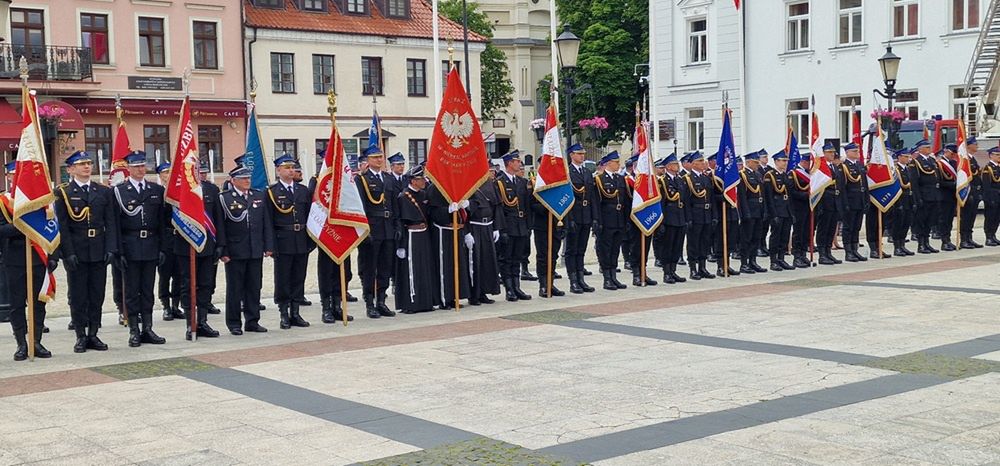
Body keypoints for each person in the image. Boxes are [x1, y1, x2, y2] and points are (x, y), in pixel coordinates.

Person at [54, 151, 116, 353]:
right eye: (81, 164)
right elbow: (62, 226)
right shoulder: (63, 192)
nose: (87, 167)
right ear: (71, 169)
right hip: (77, 249)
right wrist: (67, 252)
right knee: (79, 294)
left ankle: (94, 333)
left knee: (97, 294)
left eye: (88, 163)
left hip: (98, 248)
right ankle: (80, 334)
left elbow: (111, 223)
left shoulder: (103, 191)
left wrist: (111, 248)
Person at [113, 150, 168, 347]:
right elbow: (115, 225)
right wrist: (117, 251)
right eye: (136, 166)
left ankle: (148, 328)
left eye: (143, 165)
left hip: (151, 244)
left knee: (147, 290)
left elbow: (162, 223)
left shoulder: (156, 190)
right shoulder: (119, 191)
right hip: (130, 245)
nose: (140, 169)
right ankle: (134, 330)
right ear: (128, 168)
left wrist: (163, 248)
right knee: (131, 291)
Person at [2, 161, 53, 360]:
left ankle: (36, 341)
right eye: (13, 175)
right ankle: (22, 343)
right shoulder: (2, 201)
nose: (17, 178)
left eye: (20, 175)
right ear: (8, 177)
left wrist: (53, 256)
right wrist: (22, 226)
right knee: (17, 304)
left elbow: (52, 228)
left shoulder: (40, 201)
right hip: (14, 259)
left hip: (38, 257)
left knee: (38, 303)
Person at [218, 166, 272, 335]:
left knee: (254, 286)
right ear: (233, 181)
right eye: (243, 178)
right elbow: (221, 227)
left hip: (255, 248)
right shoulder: (225, 198)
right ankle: (234, 323)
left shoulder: (258, 195)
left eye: (248, 178)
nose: (247, 181)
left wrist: (268, 245)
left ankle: (252, 320)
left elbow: (266, 223)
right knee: (235, 288)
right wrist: (223, 250)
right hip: (235, 250)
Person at [171, 161, 221, 339]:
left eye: (198, 169)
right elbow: (166, 221)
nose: (196, 172)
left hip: (208, 245)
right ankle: (190, 323)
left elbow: (218, 219)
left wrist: (220, 244)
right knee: (188, 284)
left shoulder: (211, 190)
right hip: (185, 246)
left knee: (206, 283)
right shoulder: (177, 191)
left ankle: (203, 321)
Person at [355, 146, 398, 318]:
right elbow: (361, 207)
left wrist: (397, 226)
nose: (379, 160)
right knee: (369, 268)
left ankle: (381, 301)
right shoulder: (362, 180)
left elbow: (394, 204)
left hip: (388, 227)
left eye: (381, 157)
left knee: (385, 267)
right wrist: (365, 230)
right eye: (375, 157)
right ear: (367, 160)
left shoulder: (388, 179)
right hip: (373, 228)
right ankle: (369, 302)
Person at [394, 165, 438, 313]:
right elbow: (400, 220)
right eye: (420, 179)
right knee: (411, 269)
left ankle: (426, 301)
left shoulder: (424, 194)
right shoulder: (404, 196)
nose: (424, 181)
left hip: (424, 234)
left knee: (425, 267)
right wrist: (400, 245)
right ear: (413, 181)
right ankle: (411, 303)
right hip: (411, 235)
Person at [496, 150, 532, 301]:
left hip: (521, 225)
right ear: (509, 163)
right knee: (506, 258)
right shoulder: (500, 183)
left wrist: (529, 225)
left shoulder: (522, 182)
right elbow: (499, 208)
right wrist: (502, 229)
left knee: (517, 257)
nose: (519, 163)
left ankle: (517, 287)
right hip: (509, 225)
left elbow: (527, 206)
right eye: (517, 161)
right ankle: (509, 288)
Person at [594, 151, 630, 290]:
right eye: (616, 162)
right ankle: (607, 278)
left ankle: (614, 276)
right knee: (606, 249)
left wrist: (626, 220)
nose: (618, 164)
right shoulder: (599, 179)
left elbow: (625, 201)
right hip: (606, 219)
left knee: (615, 249)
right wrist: (598, 221)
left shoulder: (620, 179)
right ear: (608, 163)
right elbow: (597, 202)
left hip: (619, 219)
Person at [564, 143, 597, 293]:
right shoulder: (568, 173)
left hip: (586, 216)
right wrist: (569, 219)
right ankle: (573, 281)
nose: (582, 156)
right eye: (579, 153)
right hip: (574, 216)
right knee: (572, 250)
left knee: (581, 249)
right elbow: (566, 198)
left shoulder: (587, 172)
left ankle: (581, 278)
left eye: (583, 153)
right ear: (571, 155)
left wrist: (594, 217)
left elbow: (592, 197)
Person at [466, 169, 502, 304]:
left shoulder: (489, 184)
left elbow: (496, 206)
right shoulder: (467, 183)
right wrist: (467, 232)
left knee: (487, 261)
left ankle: (484, 292)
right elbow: (464, 211)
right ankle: (474, 294)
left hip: (488, 227)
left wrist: (496, 227)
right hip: (475, 227)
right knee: (475, 261)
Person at [155, 162, 183, 321]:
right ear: (160, 176)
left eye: (171, 171)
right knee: (165, 274)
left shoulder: (180, 191)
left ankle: (175, 305)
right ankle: (165, 306)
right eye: (166, 172)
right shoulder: (159, 192)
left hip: (179, 236)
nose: (169, 175)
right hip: (166, 237)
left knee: (179, 273)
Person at [656, 153, 687, 284]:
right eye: (674, 164)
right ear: (668, 166)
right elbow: (661, 202)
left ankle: (673, 270)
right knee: (667, 246)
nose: (677, 166)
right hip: (669, 217)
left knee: (677, 245)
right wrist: (661, 221)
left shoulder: (680, 180)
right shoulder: (662, 181)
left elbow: (685, 200)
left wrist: (686, 218)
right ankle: (667, 272)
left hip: (680, 217)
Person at [684, 151, 716, 280]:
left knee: (705, 242)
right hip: (695, 214)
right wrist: (689, 218)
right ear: (693, 164)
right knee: (693, 243)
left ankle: (702, 267)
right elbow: (686, 201)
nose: (704, 164)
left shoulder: (706, 178)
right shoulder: (688, 179)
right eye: (700, 162)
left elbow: (711, 198)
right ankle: (693, 269)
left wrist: (714, 216)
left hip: (706, 214)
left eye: (703, 161)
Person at [764, 150, 795, 271]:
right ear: (776, 161)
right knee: (775, 236)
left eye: (786, 161)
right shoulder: (770, 175)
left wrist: (791, 212)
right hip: (777, 210)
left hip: (786, 210)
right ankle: (773, 260)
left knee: (785, 236)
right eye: (783, 161)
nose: (785, 163)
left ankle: (781, 258)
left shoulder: (785, 175)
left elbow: (789, 196)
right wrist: (773, 214)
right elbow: (769, 197)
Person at [737, 151, 768, 274]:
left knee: (756, 237)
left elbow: (762, 194)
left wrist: (764, 210)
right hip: (749, 209)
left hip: (758, 210)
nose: (757, 165)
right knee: (746, 238)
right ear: (748, 162)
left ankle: (753, 261)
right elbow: (742, 197)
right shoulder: (742, 175)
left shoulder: (758, 174)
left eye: (757, 162)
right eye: (755, 162)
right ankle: (744, 263)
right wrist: (745, 213)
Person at [815, 143, 844, 265]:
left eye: (833, 152)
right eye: (830, 152)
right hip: (825, 203)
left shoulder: (834, 167)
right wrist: (819, 206)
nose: (833, 154)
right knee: (823, 229)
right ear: (824, 153)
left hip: (834, 202)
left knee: (831, 229)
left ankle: (828, 252)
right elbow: (818, 187)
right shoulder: (820, 167)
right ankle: (822, 254)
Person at [840, 142, 869, 262]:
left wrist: (866, 199)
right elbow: (842, 188)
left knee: (856, 227)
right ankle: (848, 252)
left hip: (860, 200)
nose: (857, 153)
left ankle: (855, 249)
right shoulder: (844, 167)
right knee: (848, 227)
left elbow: (865, 185)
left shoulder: (860, 165)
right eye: (854, 151)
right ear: (847, 153)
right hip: (850, 201)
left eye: (857, 151)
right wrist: (845, 203)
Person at [911, 140, 941, 253]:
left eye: (929, 147)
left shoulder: (932, 161)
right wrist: (917, 198)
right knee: (921, 221)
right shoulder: (915, 162)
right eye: (927, 147)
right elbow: (914, 182)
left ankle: (927, 242)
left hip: (933, 195)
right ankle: (921, 244)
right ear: (920, 149)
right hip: (924, 195)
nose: (930, 149)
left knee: (930, 220)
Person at [891, 148, 917, 256]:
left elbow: (913, 186)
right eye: (905, 156)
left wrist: (914, 200)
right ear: (899, 157)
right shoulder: (895, 170)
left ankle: (902, 245)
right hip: (900, 200)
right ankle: (897, 247)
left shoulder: (908, 169)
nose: (907, 159)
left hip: (909, 199)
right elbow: (895, 187)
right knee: (898, 224)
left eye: (908, 157)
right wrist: (897, 203)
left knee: (906, 223)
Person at [959, 137, 983, 249]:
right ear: (968, 146)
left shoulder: (972, 159)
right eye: (975, 144)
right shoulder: (965, 159)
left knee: (972, 216)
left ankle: (969, 238)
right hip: (967, 191)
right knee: (966, 217)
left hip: (974, 192)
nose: (977, 146)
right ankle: (963, 240)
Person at [789, 153, 812, 268]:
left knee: (806, 232)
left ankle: (803, 254)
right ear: (804, 162)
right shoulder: (794, 173)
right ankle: (797, 256)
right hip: (798, 207)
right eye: (809, 163)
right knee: (798, 232)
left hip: (808, 207)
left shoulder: (810, 173)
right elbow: (791, 192)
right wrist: (806, 195)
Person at [936, 145, 959, 251]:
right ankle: (944, 241)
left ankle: (948, 240)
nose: (953, 155)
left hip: (952, 196)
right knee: (944, 219)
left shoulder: (954, 163)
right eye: (952, 153)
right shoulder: (939, 164)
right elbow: (939, 181)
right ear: (946, 151)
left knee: (949, 219)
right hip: (943, 195)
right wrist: (953, 185)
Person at [982, 146, 1000, 246]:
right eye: (997, 155)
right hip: (992, 197)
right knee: (990, 217)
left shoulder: (998, 167)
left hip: (998, 197)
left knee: (997, 218)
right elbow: (986, 185)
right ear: (991, 156)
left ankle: (993, 235)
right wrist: (989, 198)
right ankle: (988, 237)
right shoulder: (988, 168)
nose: (999, 157)